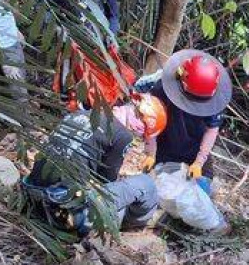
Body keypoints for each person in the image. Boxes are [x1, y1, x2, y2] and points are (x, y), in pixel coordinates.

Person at [22, 94, 167, 235]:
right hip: (66, 213)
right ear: (142, 123)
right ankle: (130, 225)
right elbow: (106, 181)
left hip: (33, 195)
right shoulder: (122, 135)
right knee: (145, 184)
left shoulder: (81, 114)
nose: (140, 137)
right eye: (143, 134)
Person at [140, 50, 232, 231]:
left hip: (195, 146)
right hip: (167, 143)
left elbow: (211, 131)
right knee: (163, 189)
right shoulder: (161, 89)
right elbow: (152, 121)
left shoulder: (215, 100)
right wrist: (151, 153)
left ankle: (200, 222)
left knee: (202, 189)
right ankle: (168, 216)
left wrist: (199, 161)